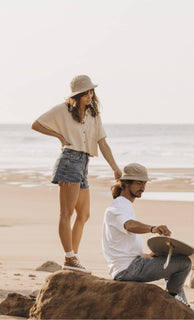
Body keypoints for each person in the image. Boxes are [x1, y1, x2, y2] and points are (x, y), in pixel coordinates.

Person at [32, 74, 122, 273]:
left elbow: (102, 143)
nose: (90, 96)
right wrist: (59, 136)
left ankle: (72, 258)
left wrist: (115, 167)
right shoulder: (62, 110)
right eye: (86, 93)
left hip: (83, 164)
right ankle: (70, 257)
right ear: (78, 94)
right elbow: (36, 124)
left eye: (92, 92)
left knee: (84, 214)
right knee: (66, 213)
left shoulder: (93, 115)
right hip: (69, 161)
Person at [102, 163, 192, 308]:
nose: (143, 187)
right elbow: (130, 225)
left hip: (130, 265)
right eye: (139, 183)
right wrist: (153, 229)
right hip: (129, 269)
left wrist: (146, 256)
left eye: (144, 183)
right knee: (184, 263)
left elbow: (121, 246)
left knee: (171, 264)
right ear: (125, 183)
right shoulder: (119, 206)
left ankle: (182, 305)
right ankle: (172, 303)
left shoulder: (124, 206)